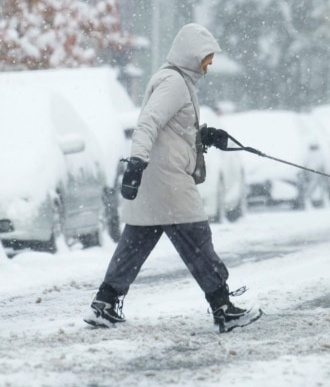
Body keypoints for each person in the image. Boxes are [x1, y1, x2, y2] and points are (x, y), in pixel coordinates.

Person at [84, 23, 262, 333]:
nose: (209, 64)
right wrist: (136, 162)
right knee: (197, 240)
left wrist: (203, 134)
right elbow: (147, 124)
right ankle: (223, 308)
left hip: (157, 182)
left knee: (135, 244)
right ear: (191, 55)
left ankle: (105, 303)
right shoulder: (174, 83)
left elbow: (171, 129)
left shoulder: (177, 81)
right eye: (206, 57)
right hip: (168, 182)